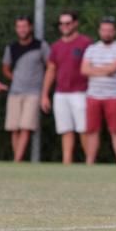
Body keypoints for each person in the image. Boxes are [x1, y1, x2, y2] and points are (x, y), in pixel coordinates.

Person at [41, 11, 93, 164]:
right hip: (61, 94)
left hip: (81, 92)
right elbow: (51, 69)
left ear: (75, 23)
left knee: (84, 130)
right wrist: (44, 94)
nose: (64, 26)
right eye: (62, 24)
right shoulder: (56, 46)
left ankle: (90, 163)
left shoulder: (86, 43)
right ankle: (67, 163)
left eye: (68, 23)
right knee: (66, 130)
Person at [80, 17, 116, 166]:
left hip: (113, 96)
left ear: (115, 32)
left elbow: (114, 68)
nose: (106, 33)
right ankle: (90, 162)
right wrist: (105, 70)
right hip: (93, 95)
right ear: (99, 31)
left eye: (109, 30)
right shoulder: (92, 49)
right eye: (104, 30)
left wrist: (95, 69)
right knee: (92, 130)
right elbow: (84, 70)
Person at [2, 16, 49, 162]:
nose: (22, 30)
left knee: (26, 127)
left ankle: (17, 160)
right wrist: (15, 79)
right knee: (14, 128)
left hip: (33, 92)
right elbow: (6, 68)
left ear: (30, 27)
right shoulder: (12, 48)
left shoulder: (41, 46)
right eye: (19, 27)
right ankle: (19, 160)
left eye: (24, 26)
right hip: (15, 92)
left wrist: (44, 89)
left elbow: (50, 66)